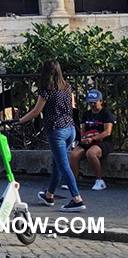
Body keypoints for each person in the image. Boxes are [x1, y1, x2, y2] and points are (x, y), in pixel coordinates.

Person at [19, 59, 86, 211]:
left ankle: (77, 199)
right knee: (57, 164)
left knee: (63, 165)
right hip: (69, 128)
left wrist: (20, 120)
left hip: (56, 130)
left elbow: (36, 111)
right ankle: (49, 195)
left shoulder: (46, 90)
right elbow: (73, 107)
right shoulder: (67, 87)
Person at [70, 89, 114, 191]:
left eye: (95, 102)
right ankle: (72, 181)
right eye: (90, 102)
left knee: (91, 153)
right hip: (88, 140)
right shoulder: (87, 114)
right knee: (74, 154)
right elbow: (83, 130)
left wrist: (93, 138)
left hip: (103, 142)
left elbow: (107, 132)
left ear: (100, 101)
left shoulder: (106, 114)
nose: (92, 105)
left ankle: (99, 180)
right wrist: (83, 138)